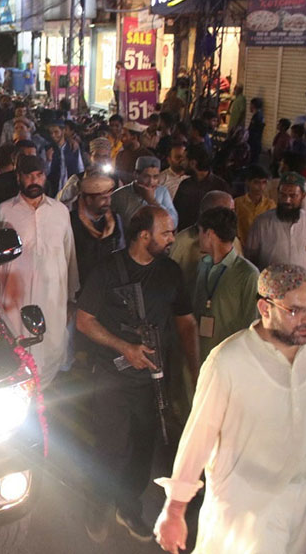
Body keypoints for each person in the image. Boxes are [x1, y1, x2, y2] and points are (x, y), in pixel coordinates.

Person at [153, 264, 306, 554]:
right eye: (295, 311)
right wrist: (175, 510)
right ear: (265, 308)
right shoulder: (228, 362)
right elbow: (197, 438)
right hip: (243, 514)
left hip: (300, 509)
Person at [78, 206, 199, 543]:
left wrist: (196, 369)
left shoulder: (170, 272)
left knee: (143, 449)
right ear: (144, 236)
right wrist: (123, 347)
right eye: (166, 232)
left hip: (152, 382)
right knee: (110, 448)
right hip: (111, 378)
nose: (172, 238)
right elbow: (84, 320)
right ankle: (98, 504)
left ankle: (127, 505)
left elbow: (185, 321)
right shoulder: (107, 271)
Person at [0, 154, 78, 383]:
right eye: (28, 176)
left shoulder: (60, 212)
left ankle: (43, 403)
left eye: (38, 175)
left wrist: (71, 297)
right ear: (19, 178)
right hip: (15, 299)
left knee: (52, 349)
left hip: (52, 298)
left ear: (45, 177)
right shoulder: (4, 212)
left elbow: (69, 255)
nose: (34, 181)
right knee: (17, 352)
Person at [191, 206, 260, 360]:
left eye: (200, 232)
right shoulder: (203, 265)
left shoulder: (248, 274)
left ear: (209, 234)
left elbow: (253, 325)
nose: (198, 239)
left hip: (230, 359)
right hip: (201, 355)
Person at [245, 172, 306, 277]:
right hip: (269, 289)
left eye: (293, 196)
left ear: (303, 196)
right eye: (283, 195)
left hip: (301, 289)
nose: (287, 200)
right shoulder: (262, 222)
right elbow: (249, 260)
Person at [169, 191, 239, 296]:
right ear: (207, 213)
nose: (231, 217)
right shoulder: (181, 241)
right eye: (225, 212)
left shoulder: (233, 241)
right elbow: (170, 281)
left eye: (232, 211)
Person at [71, 173, 125, 289]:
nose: (108, 202)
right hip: (81, 286)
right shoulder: (71, 221)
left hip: (108, 286)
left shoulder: (115, 219)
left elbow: (121, 251)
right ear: (89, 200)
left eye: (109, 197)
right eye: (104, 199)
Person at [172, 146, 230, 231]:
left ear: (193, 163)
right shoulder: (185, 184)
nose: (181, 162)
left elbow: (226, 217)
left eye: (184, 159)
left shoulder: (220, 186)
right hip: (185, 237)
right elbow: (175, 212)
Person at [111, 156, 179, 228]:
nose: (151, 182)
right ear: (136, 175)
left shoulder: (162, 192)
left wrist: (152, 201)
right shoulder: (119, 195)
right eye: (146, 176)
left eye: (155, 177)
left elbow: (173, 223)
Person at [58, 137, 113, 209]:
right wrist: (81, 183)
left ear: (110, 158)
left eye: (105, 156)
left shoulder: (115, 179)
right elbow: (61, 199)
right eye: (97, 156)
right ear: (90, 157)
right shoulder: (78, 178)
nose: (101, 160)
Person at [46, 121, 84, 199]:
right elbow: (45, 172)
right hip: (54, 192)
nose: (53, 135)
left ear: (63, 131)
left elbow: (80, 168)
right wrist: (49, 160)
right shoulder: (48, 149)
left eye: (56, 132)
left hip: (72, 191)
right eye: (51, 133)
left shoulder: (73, 147)